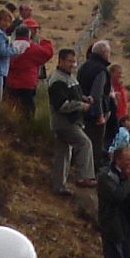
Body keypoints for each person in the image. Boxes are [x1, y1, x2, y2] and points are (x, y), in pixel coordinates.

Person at [46, 47, 97, 195]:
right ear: (61, 60)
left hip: (69, 121)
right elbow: (62, 105)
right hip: (64, 122)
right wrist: (81, 105)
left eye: (74, 62)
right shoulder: (57, 80)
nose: (72, 65)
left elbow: (73, 94)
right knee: (84, 143)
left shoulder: (69, 77)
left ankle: (59, 187)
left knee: (63, 154)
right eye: (69, 61)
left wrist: (84, 98)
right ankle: (84, 176)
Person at [5, 23, 53, 120]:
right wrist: (45, 42)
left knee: (7, 109)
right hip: (26, 84)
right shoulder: (32, 47)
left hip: (10, 83)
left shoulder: (10, 47)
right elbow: (47, 53)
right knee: (27, 112)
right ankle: (26, 128)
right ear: (28, 34)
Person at [77, 40, 113, 156]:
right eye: (108, 52)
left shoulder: (83, 67)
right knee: (95, 147)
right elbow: (97, 95)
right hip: (94, 115)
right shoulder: (101, 70)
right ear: (104, 53)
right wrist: (100, 115)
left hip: (82, 110)